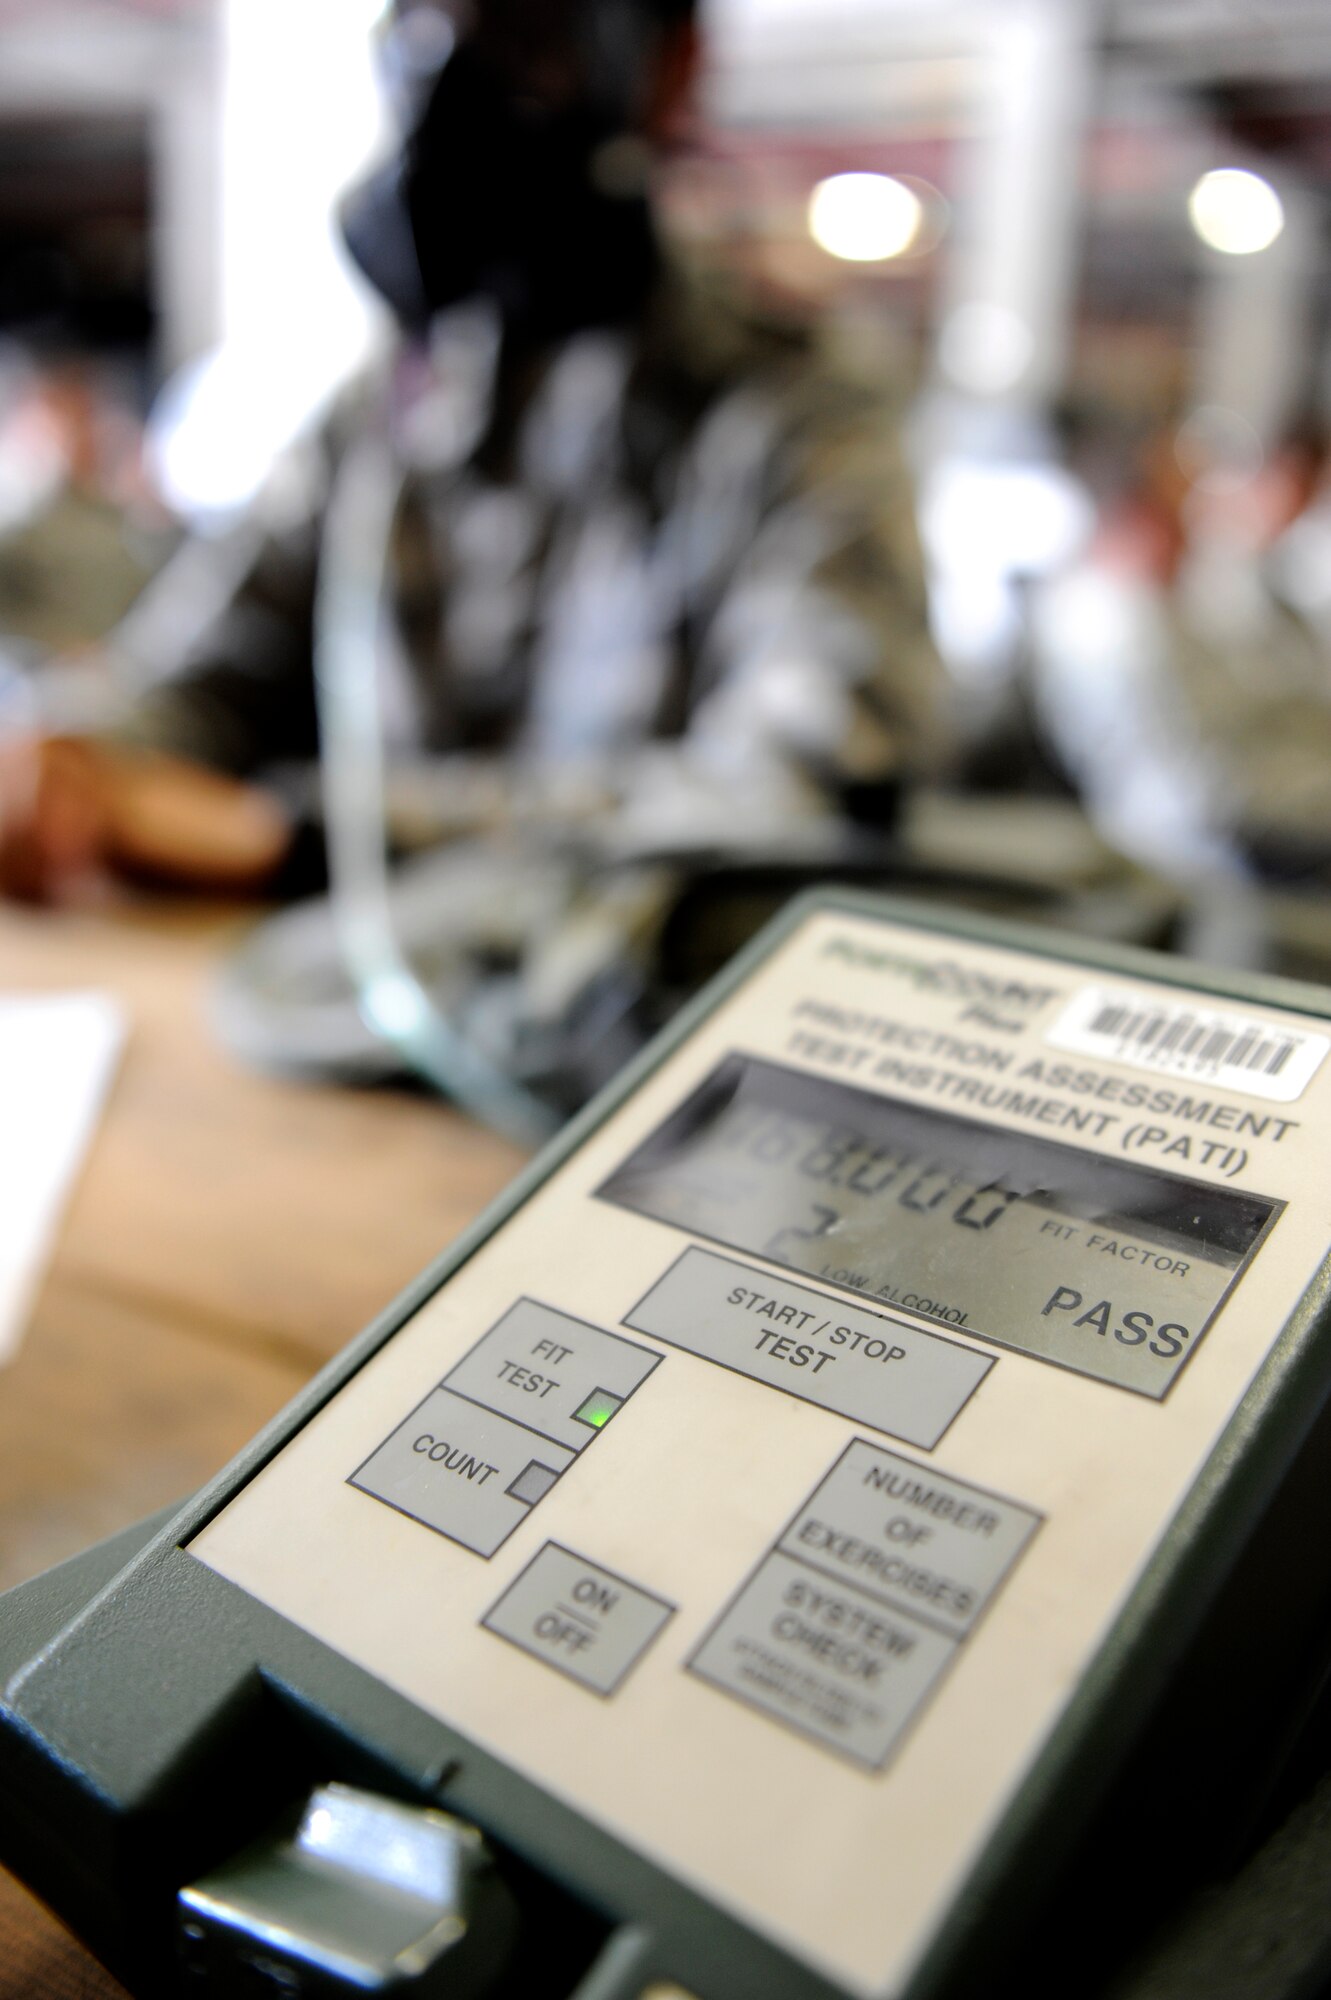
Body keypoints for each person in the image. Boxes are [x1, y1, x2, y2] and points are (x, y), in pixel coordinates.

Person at [0, 0, 948, 909]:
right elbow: (197, 682)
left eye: (526, 25)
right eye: (423, 22)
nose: (456, 70)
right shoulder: (386, 416)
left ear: (669, 66)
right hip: (307, 999)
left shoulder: (800, 414)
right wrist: (73, 761)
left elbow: (798, 799)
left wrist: (300, 836)